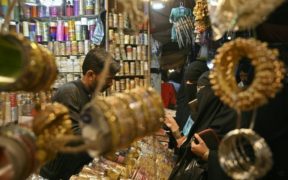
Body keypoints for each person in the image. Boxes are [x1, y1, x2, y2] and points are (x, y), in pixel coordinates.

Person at [40, 48, 120, 180]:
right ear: (90, 75)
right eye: (108, 79)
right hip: (59, 173)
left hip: (75, 170)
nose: (111, 84)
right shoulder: (69, 93)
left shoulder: (91, 96)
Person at [168, 71, 241, 180]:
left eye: (201, 88)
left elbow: (240, 163)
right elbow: (187, 150)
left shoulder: (233, 121)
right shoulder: (205, 115)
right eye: (197, 88)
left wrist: (208, 155)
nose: (198, 93)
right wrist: (177, 133)